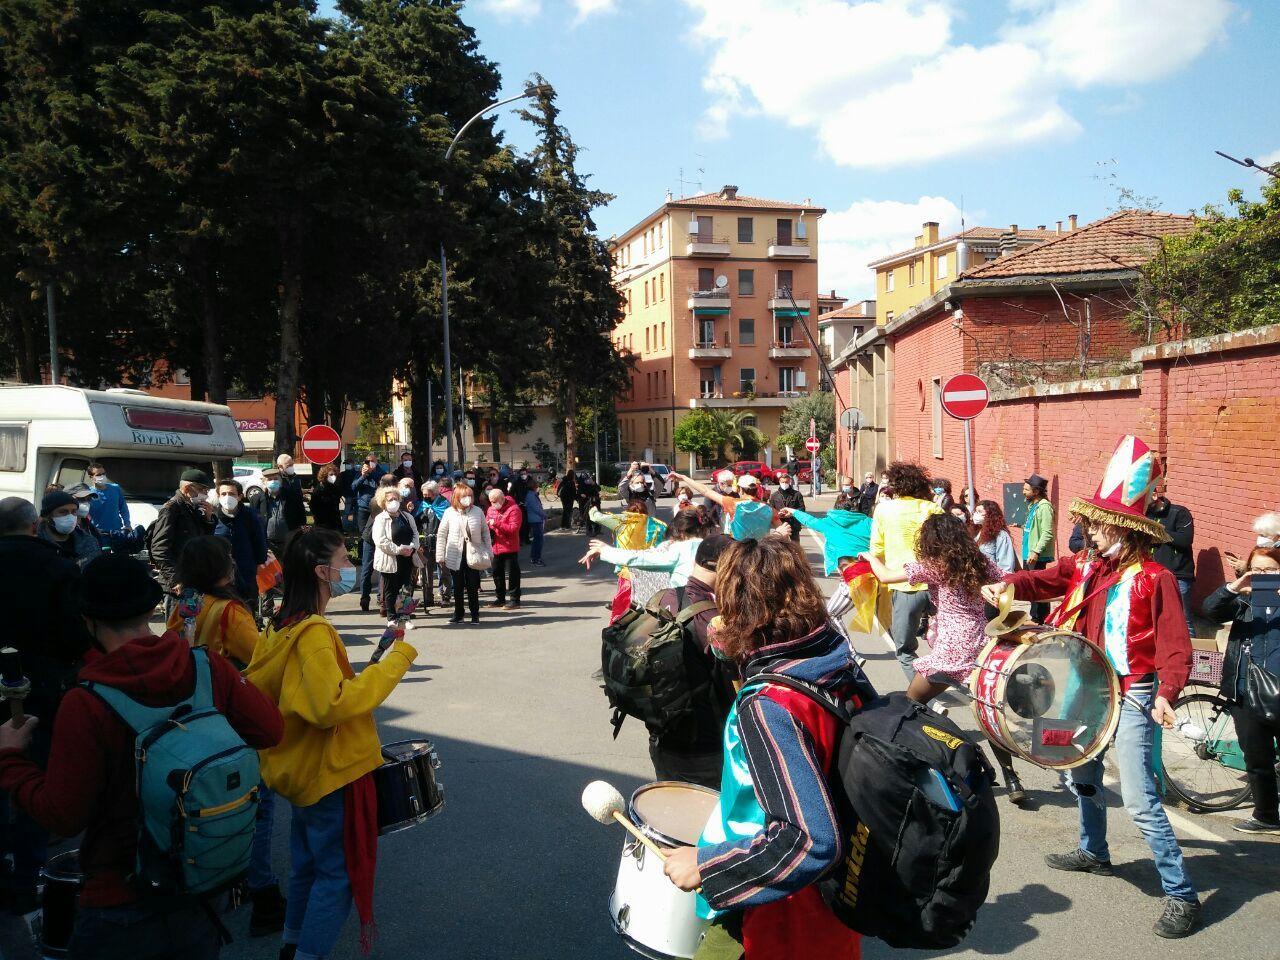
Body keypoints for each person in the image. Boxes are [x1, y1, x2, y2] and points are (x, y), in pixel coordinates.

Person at [0, 553, 282, 959]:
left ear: (87, 619)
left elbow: (62, 814)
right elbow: (270, 730)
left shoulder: (87, 700)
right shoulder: (207, 667)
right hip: (198, 878)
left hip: (120, 895)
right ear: (152, 608)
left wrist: (10, 760)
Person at [985, 435, 1198, 939]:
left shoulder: (1154, 578)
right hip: (1084, 683)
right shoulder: (1085, 567)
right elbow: (1045, 579)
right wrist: (1009, 584)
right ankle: (1094, 850)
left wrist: (1167, 692)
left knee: (1141, 799)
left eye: (1099, 526)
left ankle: (1181, 894)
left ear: (1127, 530)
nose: (1090, 533)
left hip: (1132, 693)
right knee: (1080, 775)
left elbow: (1175, 644)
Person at [662, 536, 865, 960]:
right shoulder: (836, 663)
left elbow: (811, 840)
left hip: (778, 908)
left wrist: (707, 867)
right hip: (838, 897)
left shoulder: (769, 704)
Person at [246, 527, 417, 960]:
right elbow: (330, 705)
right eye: (343, 560)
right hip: (331, 773)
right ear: (322, 572)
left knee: (307, 867)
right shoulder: (315, 632)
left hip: (299, 770)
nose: (349, 568)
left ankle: (292, 943)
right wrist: (396, 659)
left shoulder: (280, 624)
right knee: (337, 876)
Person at [164, 535, 286, 934]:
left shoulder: (185, 605)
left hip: (192, 712)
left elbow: (171, 646)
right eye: (228, 560)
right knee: (256, 803)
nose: (233, 564)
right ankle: (261, 888)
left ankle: (217, 876)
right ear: (220, 569)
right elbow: (259, 657)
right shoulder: (231, 611)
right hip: (230, 712)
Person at [862, 513, 1027, 804]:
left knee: (908, 706)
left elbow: (886, 576)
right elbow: (1005, 582)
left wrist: (868, 556)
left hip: (952, 648)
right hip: (981, 644)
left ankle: (920, 764)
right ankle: (1012, 778)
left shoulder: (937, 565)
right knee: (987, 715)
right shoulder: (979, 562)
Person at [0, 497, 88, 913]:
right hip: (42, 684)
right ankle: (27, 875)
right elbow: (75, 635)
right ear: (35, 525)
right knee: (35, 773)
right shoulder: (57, 567)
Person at [1201, 546, 1280, 835]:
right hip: (1246, 691)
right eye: (1256, 570)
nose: (1263, 576)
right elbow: (1210, 610)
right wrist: (1235, 587)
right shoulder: (1243, 601)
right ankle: (1266, 815)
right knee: (1257, 759)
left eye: (1270, 570)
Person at [648, 534, 736, 788]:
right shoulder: (713, 620)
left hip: (663, 737)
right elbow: (736, 686)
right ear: (725, 569)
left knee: (670, 814)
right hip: (705, 749)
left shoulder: (663, 598)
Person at [869, 462, 943, 679]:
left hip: (904, 585)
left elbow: (877, 549)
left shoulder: (884, 509)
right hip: (936, 584)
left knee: (904, 649)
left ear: (896, 486)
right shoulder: (933, 508)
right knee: (947, 641)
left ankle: (924, 698)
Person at [579, 506, 714, 592]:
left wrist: (605, 550)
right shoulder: (714, 545)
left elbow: (642, 558)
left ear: (681, 531)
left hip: (688, 606)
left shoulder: (681, 547)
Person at [589, 494, 669, 618]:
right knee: (650, 606)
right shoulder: (658, 525)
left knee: (623, 608)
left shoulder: (623, 521)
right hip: (651, 572)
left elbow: (597, 517)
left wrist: (593, 507)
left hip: (628, 572)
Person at [150, 468, 216, 616]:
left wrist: (208, 520)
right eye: (202, 489)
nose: (205, 494)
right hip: (179, 585)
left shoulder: (192, 507)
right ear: (187, 488)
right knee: (178, 632)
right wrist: (175, 580)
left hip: (195, 579)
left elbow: (203, 541)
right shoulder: (172, 508)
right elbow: (159, 549)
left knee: (194, 631)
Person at [436, 484, 492, 624]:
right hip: (455, 554)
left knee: (473, 586)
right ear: (457, 498)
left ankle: (475, 614)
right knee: (458, 586)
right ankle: (459, 613)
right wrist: (440, 555)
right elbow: (442, 534)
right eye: (464, 496)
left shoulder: (477, 511)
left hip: (473, 554)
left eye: (470, 496)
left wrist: (489, 551)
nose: (468, 499)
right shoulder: (449, 512)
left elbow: (485, 532)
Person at [213, 478, 269, 617]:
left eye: (232, 494)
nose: (227, 497)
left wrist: (259, 562)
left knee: (247, 613)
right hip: (220, 577)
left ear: (239, 496)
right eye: (224, 494)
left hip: (246, 573)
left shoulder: (250, 516)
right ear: (218, 496)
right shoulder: (213, 518)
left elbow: (259, 541)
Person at [1146, 479, 1195, 634]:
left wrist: (1159, 532)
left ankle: (1194, 653)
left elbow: (1185, 540)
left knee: (1183, 618)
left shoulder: (1179, 512)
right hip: (1152, 574)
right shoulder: (1146, 515)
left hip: (1178, 575)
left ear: (1154, 496)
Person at [781, 497, 872, 578]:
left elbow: (809, 520)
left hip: (845, 568)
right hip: (868, 564)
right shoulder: (867, 522)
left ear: (835, 508)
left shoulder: (828, 522)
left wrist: (792, 511)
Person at [372, 486, 424, 622]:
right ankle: (392, 618)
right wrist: (398, 550)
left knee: (407, 589)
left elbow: (415, 534)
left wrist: (412, 548)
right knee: (391, 590)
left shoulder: (407, 516)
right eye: (390, 499)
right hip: (389, 559)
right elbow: (380, 540)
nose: (394, 501)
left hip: (407, 558)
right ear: (384, 502)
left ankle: (405, 617)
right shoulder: (380, 519)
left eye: (396, 499)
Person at [349, 454, 385, 612]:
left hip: (379, 510)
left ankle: (381, 596)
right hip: (364, 511)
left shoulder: (380, 473)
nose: (370, 465)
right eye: (367, 462)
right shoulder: (360, 473)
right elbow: (353, 487)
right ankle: (365, 596)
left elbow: (383, 484)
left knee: (382, 559)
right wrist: (363, 475)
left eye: (373, 462)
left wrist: (374, 472)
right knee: (367, 558)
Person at [1020, 473, 1055, 624]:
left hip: (1036, 555)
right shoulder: (1033, 506)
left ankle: (1040, 618)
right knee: (1030, 587)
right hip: (1028, 552)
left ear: (1036, 491)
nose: (1023, 492)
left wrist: (1036, 551)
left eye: (1026, 489)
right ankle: (1034, 616)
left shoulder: (1045, 508)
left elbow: (1047, 533)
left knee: (1038, 588)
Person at [38, 488, 103, 569]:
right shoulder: (34, 544)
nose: (70, 516)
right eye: (63, 512)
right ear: (48, 516)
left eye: (74, 511)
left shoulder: (89, 542)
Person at [486, 488, 523, 611]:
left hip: (509, 547)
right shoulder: (491, 509)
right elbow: (487, 522)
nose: (492, 504)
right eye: (491, 501)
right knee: (497, 574)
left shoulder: (514, 509)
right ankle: (500, 598)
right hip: (495, 546)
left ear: (502, 499)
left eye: (495, 501)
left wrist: (496, 523)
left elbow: (513, 529)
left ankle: (514, 600)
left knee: (513, 574)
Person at [972, 500, 1017, 575]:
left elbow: (1006, 566)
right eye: (976, 511)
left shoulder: (1001, 535)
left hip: (994, 579)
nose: (976, 514)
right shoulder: (978, 532)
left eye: (979, 511)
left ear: (990, 515)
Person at [86, 462, 131, 536]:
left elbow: (123, 508)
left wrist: (127, 525)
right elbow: (85, 516)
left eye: (103, 474)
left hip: (117, 531)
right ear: (91, 477)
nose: (102, 476)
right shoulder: (88, 493)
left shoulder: (116, 488)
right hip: (98, 533)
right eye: (98, 475)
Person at [768, 471, 806, 542]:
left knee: (795, 548)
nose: (784, 484)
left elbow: (802, 509)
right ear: (779, 482)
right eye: (782, 482)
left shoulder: (797, 494)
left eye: (786, 482)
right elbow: (771, 510)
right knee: (781, 549)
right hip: (780, 526)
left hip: (794, 525)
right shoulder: (774, 495)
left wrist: (791, 514)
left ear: (790, 482)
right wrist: (778, 514)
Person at [275, 454, 307, 532]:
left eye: (292, 464)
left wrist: (303, 520)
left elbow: (299, 499)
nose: (291, 467)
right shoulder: (275, 479)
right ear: (280, 466)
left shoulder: (295, 477)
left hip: (297, 519)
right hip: (282, 519)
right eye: (288, 465)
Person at [309, 464, 344, 532]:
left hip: (335, 521)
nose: (333, 477)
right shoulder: (319, 489)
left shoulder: (334, 487)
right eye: (331, 474)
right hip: (322, 523)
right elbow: (313, 507)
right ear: (325, 475)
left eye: (335, 475)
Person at [524, 483, 547, 566]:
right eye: (537, 487)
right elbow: (536, 508)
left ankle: (534, 557)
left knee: (537, 540)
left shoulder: (532, 495)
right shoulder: (531, 496)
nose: (538, 489)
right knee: (539, 540)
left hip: (536, 519)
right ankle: (536, 558)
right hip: (536, 520)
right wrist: (544, 515)